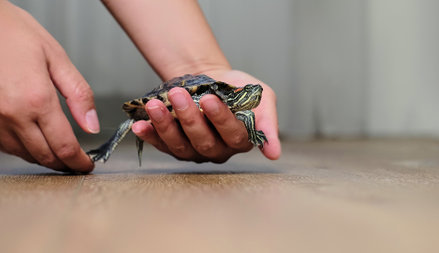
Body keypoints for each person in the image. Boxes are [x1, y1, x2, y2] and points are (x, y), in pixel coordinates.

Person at [0, 0, 281, 173]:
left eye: (250, 94)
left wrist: (205, 65)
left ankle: (106, 147)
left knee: (149, 117)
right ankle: (111, 144)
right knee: (141, 114)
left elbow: (211, 90)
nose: (251, 95)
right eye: (249, 93)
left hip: (192, 92)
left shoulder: (228, 101)